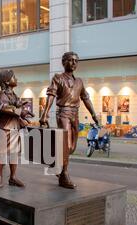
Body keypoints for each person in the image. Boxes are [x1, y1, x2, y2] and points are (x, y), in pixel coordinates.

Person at [40, 52, 99, 189]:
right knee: (66, 145)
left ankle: (54, 163)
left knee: (72, 147)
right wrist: (45, 114)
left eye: (76, 61)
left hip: (75, 114)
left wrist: (94, 115)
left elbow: (86, 98)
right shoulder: (58, 78)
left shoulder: (79, 81)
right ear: (63, 62)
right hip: (63, 113)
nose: (73, 63)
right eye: (70, 60)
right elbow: (51, 95)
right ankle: (64, 175)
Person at [0, 69, 33, 189]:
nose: (16, 79)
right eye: (13, 77)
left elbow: (16, 105)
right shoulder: (1, 95)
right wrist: (20, 110)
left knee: (14, 153)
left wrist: (24, 109)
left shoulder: (14, 95)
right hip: (5, 127)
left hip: (15, 127)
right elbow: (4, 108)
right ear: (6, 81)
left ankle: (13, 177)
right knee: (2, 153)